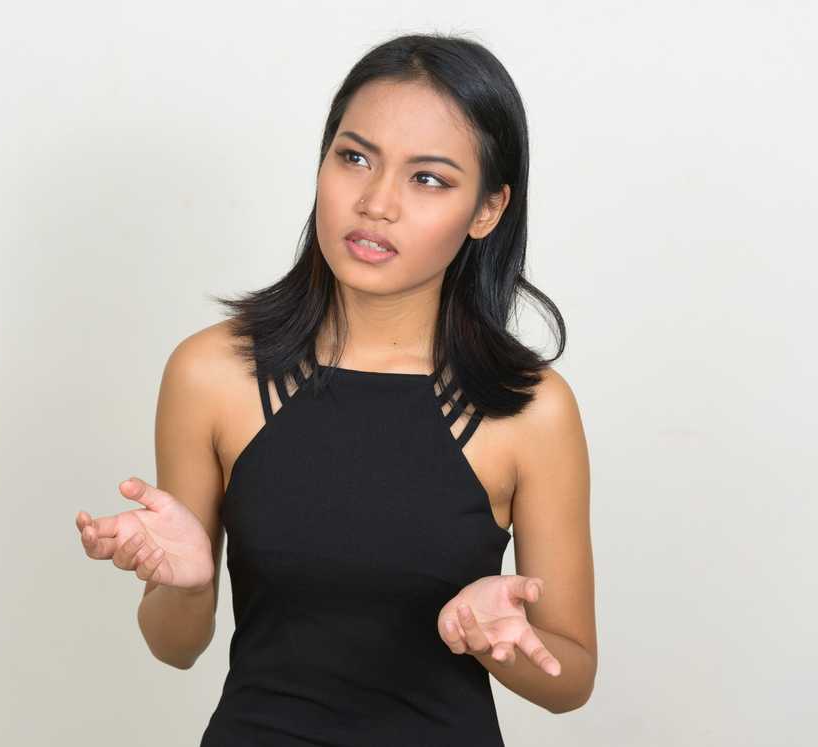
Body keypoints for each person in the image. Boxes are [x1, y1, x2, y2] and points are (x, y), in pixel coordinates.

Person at [77, 32, 596, 745]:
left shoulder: (531, 409)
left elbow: (571, 675)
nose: (376, 202)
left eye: (429, 178)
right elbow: (175, 645)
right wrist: (189, 584)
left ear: (487, 209)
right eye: (355, 158)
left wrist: (496, 639)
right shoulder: (211, 373)